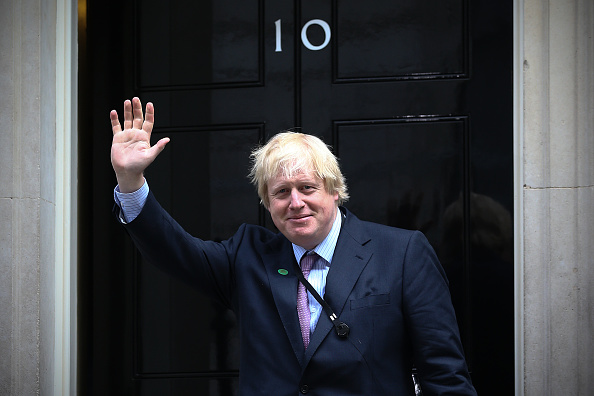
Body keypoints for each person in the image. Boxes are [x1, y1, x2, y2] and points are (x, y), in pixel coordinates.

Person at [110, 97, 478, 395]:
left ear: (335, 191)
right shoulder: (248, 256)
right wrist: (130, 180)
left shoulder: (402, 253)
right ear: (267, 204)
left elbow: (444, 374)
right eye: (281, 192)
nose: (295, 202)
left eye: (307, 188)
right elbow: (175, 251)